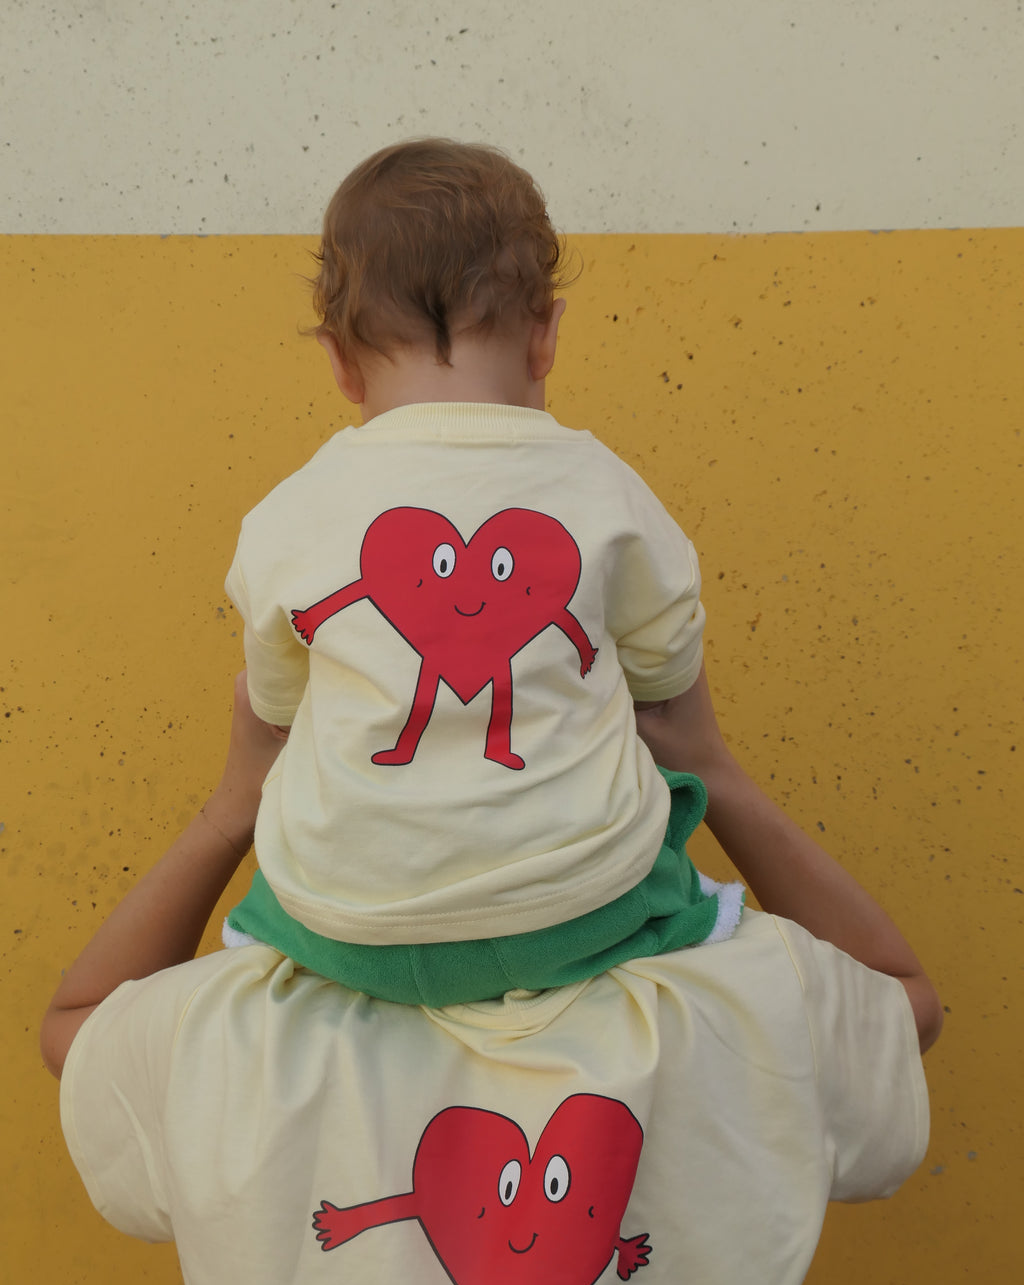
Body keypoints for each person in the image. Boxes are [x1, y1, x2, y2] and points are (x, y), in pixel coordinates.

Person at [42, 668, 942, 1285]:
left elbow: (73, 1027)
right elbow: (902, 999)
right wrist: (713, 769)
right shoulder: (730, 1011)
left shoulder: (236, 1036)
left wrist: (232, 806)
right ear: (622, 796)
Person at [223, 137, 743, 1008]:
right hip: (578, 917)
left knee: (287, 874)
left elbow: (276, 705)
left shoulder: (288, 512)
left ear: (339, 362)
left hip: (350, 930)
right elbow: (664, 673)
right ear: (545, 335)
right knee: (666, 838)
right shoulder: (605, 486)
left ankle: (267, 935)